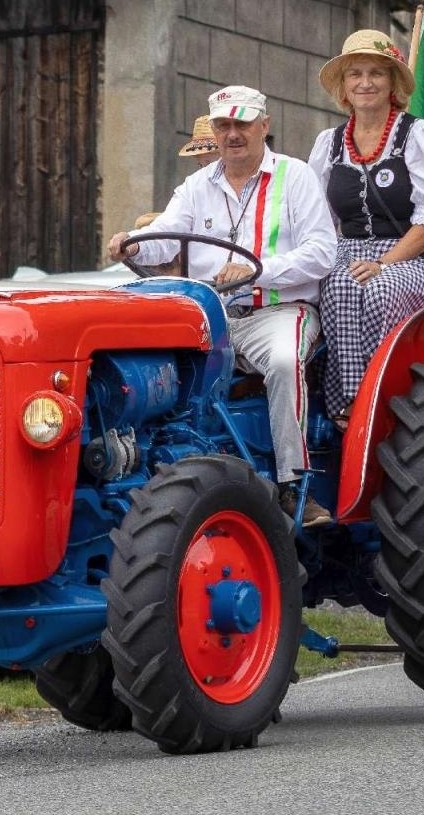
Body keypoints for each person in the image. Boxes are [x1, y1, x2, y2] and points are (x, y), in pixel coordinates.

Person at [108, 86, 338, 526]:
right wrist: (131, 247)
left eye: (242, 124)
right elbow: (167, 236)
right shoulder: (197, 185)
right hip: (211, 318)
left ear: (264, 126)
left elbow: (322, 252)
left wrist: (260, 271)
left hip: (279, 311)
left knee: (286, 364)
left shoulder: (296, 177)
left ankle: (294, 487)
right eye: (224, 125)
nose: (233, 134)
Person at [308, 29, 424, 428]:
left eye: (377, 73)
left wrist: (383, 262)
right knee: (339, 284)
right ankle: (350, 400)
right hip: (348, 251)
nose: (365, 83)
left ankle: (385, 398)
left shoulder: (419, 135)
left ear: (393, 83)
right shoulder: (328, 144)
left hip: (411, 252)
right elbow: (319, 218)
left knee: (381, 288)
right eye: (355, 74)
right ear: (343, 87)